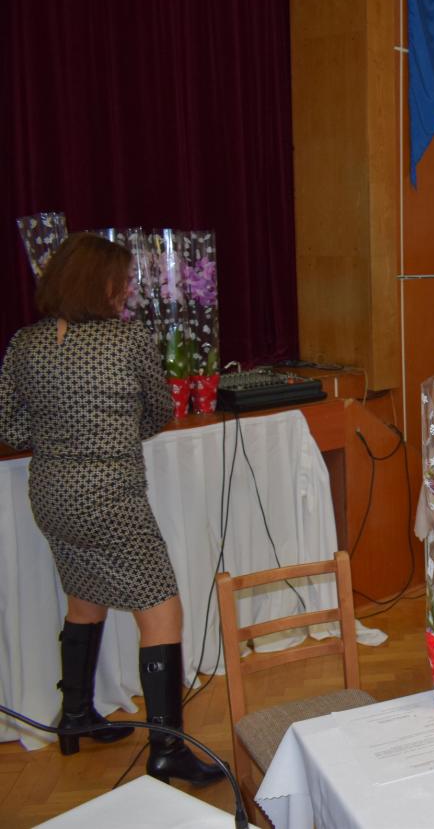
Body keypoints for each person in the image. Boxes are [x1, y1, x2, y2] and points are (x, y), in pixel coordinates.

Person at [0, 233, 221, 784]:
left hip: (52, 494)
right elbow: (160, 409)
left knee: (85, 594)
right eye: (121, 282)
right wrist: (112, 436)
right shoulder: (126, 341)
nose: (127, 291)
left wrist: (59, 438)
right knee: (162, 612)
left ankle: (75, 715)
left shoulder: (25, 343)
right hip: (111, 496)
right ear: (98, 284)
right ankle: (167, 748)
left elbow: (10, 427)